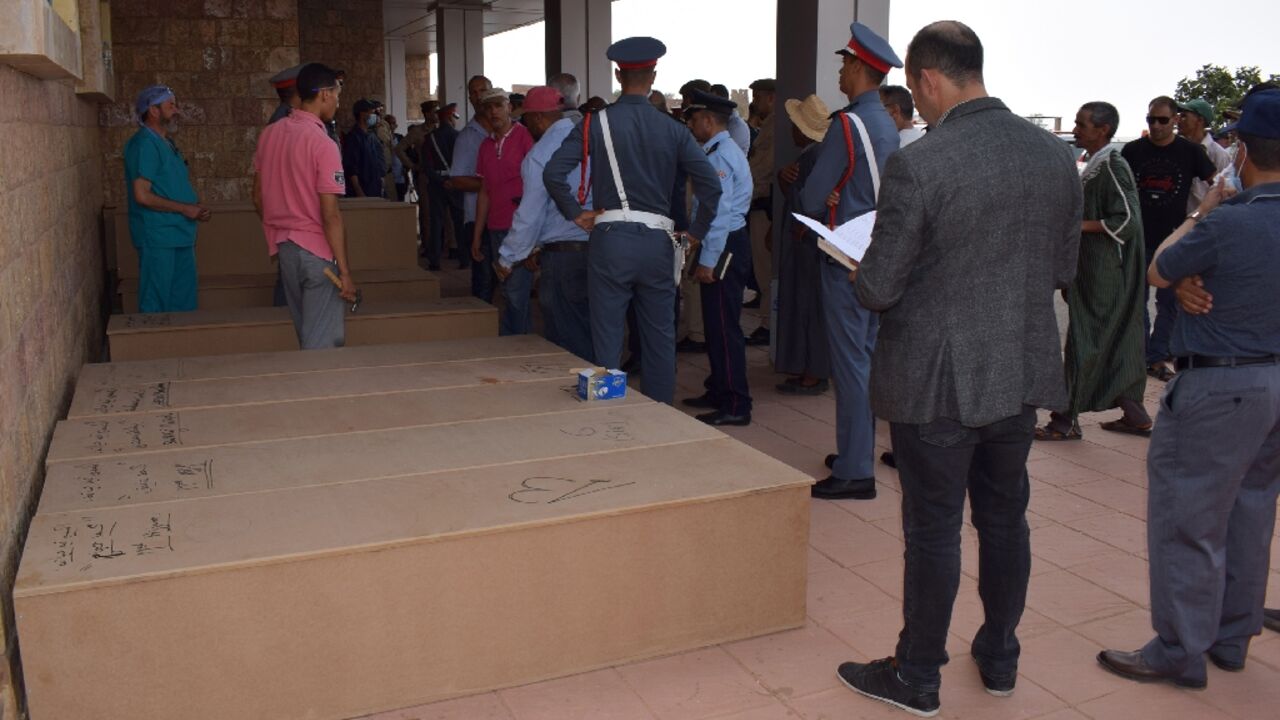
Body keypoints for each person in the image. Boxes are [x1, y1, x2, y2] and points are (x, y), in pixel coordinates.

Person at [836, 22, 1082, 716]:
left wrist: (860, 265)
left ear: (929, 80)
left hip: (936, 382)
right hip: (1020, 371)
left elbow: (879, 288)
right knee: (1006, 520)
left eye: (916, 87)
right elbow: (1062, 267)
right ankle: (1000, 656)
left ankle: (916, 677)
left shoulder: (923, 163)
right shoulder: (1052, 157)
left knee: (935, 529)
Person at [1097, 88, 1280, 690]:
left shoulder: (1229, 223)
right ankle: (1232, 638)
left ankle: (1179, 648)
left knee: (1189, 519)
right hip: (1274, 384)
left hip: (1220, 384)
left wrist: (1203, 214)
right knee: (1252, 511)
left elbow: (1157, 266)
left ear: (1243, 152)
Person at [544, 36, 722, 405]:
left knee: (606, 333)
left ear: (617, 74)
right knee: (659, 337)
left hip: (611, 237)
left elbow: (553, 173)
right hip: (658, 241)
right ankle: (659, 415)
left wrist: (575, 213)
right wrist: (695, 234)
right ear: (653, 75)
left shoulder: (597, 122)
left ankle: (607, 413)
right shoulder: (674, 129)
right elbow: (710, 187)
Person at [800, 22, 902, 501]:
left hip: (846, 253)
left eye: (844, 63)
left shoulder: (847, 124)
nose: (840, 71)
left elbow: (814, 193)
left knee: (850, 365)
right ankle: (854, 452)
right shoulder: (883, 122)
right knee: (867, 357)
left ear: (860, 66)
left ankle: (856, 469)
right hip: (877, 251)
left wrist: (825, 199)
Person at [1036, 102, 1151, 440]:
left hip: (1104, 272)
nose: (1076, 130)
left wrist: (1078, 225)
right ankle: (1135, 413)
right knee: (1113, 342)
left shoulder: (1113, 166)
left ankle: (1063, 420)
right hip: (1094, 269)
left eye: (1082, 124)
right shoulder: (1098, 164)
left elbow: (1127, 220)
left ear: (1103, 130)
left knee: (1085, 343)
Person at [252, 63, 359, 349]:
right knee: (322, 346)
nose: (338, 102)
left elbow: (258, 197)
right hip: (317, 254)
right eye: (336, 94)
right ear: (324, 94)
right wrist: (345, 273)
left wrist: (284, 222)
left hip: (285, 249)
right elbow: (330, 214)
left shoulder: (269, 135)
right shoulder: (322, 143)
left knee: (306, 336)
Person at [1121, 96, 1217, 381]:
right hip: (1138, 237)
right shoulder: (1132, 150)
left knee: (1170, 303)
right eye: (1151, 119)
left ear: (1175, 120)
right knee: (1136, 303)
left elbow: (1217, 185)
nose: (1156, 125)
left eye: (1163, 120)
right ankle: (1141, 356)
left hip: (1174, 240)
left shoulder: (1190, 152)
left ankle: (1159, 356)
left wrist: (1200, 216)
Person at [495, 86, 594, 361]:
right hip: (602, 249)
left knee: (567, 339)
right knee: (594, 329)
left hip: (564, 259)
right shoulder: (588, 140)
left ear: (537, 118)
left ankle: (579, 396)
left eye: (525, 119)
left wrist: (508, 257)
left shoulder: (540, 154)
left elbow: (531, 213)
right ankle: (601, 391)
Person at [679, 91, 754, 426]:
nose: (692, 126)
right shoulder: (720, 151)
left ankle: (736, 403)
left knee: (724, 327)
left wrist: (708, 259)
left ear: (708, 120)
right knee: (715, 323)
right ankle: (719, 388)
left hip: (725, 244)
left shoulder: (721, 156)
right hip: (722, 240)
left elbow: (719, 213)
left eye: (694, 119)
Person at [124, 84, 211, 313]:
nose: (177, 110)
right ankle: (154, 348)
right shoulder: (145, 144)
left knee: (183, 303)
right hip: (159, 237)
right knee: (156, 303)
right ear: (153, 111)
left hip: (181, 235)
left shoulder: (167, 144)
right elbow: (142, 195)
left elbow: (170, 185)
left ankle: (181, 348)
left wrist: (194, 207)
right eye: (170, 105)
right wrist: (184, 209)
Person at [774, 95, 832, 395]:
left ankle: (813, 371)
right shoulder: (816, 154)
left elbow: (806, 202)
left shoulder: (812, 156)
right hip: (809, 241)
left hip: (807, 242)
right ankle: (811, 368)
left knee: (807, 306)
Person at [472, 88, 535, 330]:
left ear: (509, 106)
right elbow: (484, 192)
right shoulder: (485, 146)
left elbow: (535, 185)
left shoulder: (524, 138)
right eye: (488, 107)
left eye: (498, 105)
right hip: (496, 228)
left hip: (519, 227)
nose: (493, 111)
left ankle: (521, 346)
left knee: (517, 293)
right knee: (508, 293)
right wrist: (477, 235)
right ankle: (516, 344)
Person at [446, 75, 495, 293]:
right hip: (477, 219)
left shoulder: (509, 131)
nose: (478, 96)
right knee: (483, 281)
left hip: (508, 217)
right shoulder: (467, 137)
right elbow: (457, 179)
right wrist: (495, 185)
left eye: (482, 90)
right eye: (473, 92)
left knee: (512, 282)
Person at [745, 77, 776, 348]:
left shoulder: (775, 127)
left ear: (770, 98)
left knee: (765, 267)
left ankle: (768, 323)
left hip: (763, 205)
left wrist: (745, 191)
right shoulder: (768, 126)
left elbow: (761, 171)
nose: (754, 102)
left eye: (757, 97)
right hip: (758, 203)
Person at [1176, 97, 1235, 211]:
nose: (1179, 120)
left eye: (1184, 116)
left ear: (1200, 120)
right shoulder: (1178, 150)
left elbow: (1224, 191)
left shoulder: (1219, 154)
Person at [341, 99, 385, 198]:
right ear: (362, 114)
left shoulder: (371, 136)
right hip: (362, 192)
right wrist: (359, 192)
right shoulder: (354, 138)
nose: (375, 116)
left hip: (375, 190)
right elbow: (351, 169)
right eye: (372, 113)